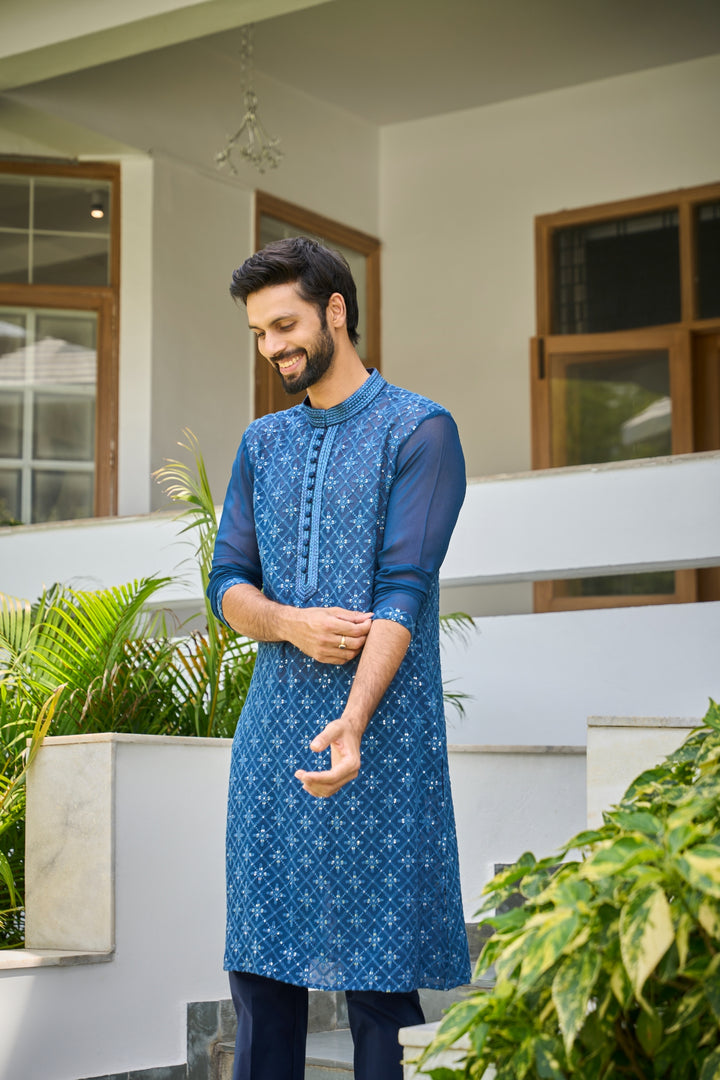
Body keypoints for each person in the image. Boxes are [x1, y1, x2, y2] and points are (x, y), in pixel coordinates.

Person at [207, 237, 470, 1080]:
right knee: (261, 982)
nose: (272, 346)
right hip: (272, 746)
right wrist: (288, 623)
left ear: (336, 310)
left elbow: (405, 589)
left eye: (283, 324)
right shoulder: (262, 444)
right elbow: (225, 583)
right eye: (257, 333)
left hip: (381, 746)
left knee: (380, 993)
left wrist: (353, 718)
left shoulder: (419, 430)